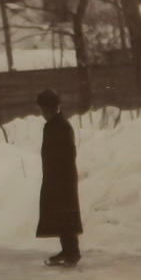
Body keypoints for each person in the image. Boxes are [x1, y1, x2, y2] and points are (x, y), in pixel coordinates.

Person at [35, 89, 82, 267]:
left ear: (48, 109)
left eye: (42, 109)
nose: (42, 113)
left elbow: (67, 154)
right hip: (56, 177)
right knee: (61, 216)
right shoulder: (54, 124)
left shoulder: (60, 126)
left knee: (66, 215)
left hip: (62, 179)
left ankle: (72, 252)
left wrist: (57, 177)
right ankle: (67, 250)